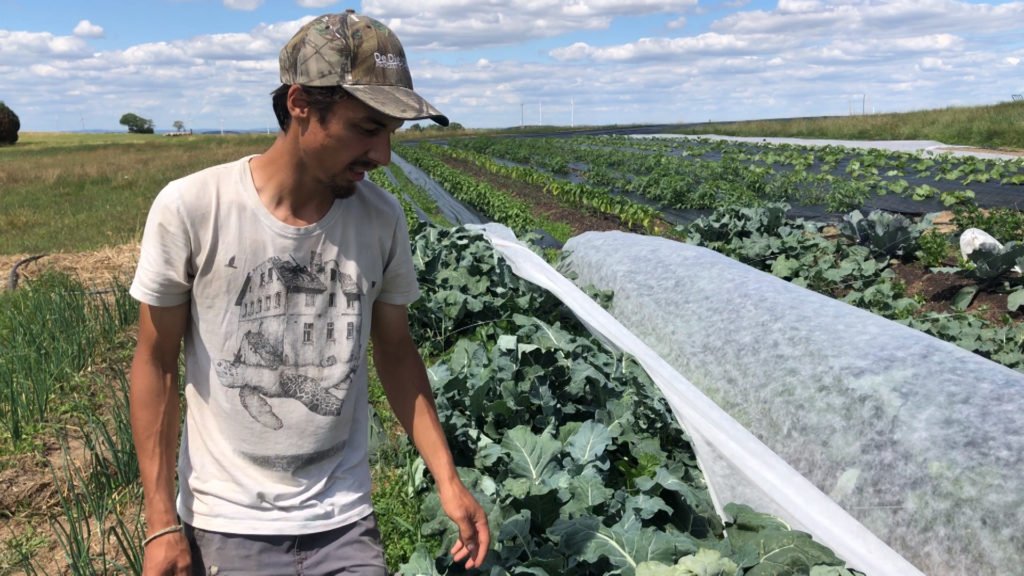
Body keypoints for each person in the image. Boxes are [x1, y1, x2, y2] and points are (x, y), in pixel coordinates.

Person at [128, 10, 489, 575]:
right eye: (368, 129)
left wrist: (448, 477)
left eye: (391, 133)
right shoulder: (192, 208)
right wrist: (160, 523)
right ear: (300, 103)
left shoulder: (381, 219)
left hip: (346, 520)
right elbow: (155, 362)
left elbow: (395, 350)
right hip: (227, 523)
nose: (384, 155)